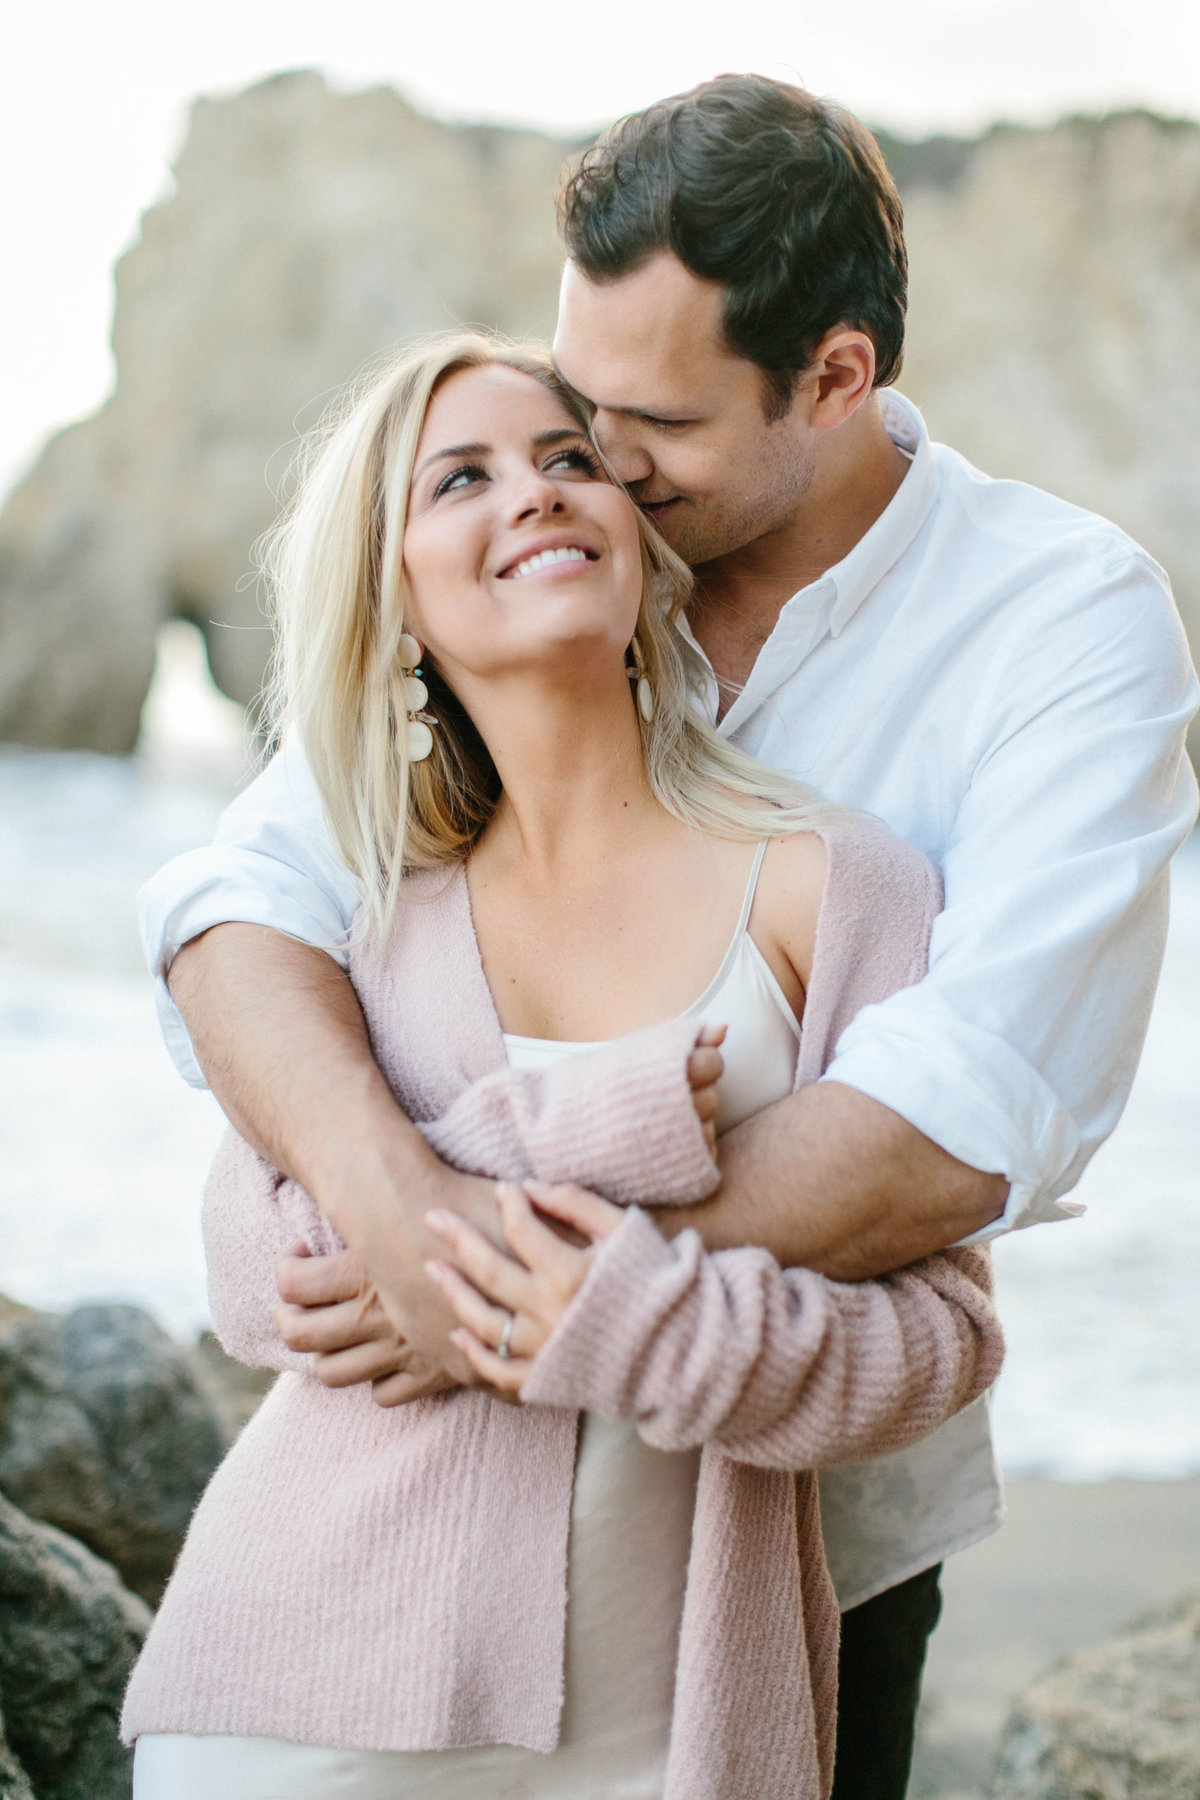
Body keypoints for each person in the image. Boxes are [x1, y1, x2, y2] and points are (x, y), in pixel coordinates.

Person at [138, 75, 1200, 1800]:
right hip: (376, 1569)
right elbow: (233, 917)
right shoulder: (548, 598)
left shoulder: (1057, 625)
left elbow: (959, 1122)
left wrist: (496, 1290)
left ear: (839, 375)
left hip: (801, 1540)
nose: (597, 473)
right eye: (574, 411)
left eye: (644, 431)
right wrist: (406, 1228)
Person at [122, 334, 1003, 1800]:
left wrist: (619, 1313)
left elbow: (940, 1345)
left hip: (658, 1738)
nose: (531, 494)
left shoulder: (834, 883)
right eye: (461, 478)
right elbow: (256, 1264)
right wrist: (621, 1128)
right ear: (394, 594)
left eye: (568, 460)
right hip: (292, 1704)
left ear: (636, 542)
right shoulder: (355, 917)